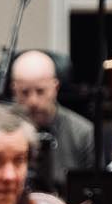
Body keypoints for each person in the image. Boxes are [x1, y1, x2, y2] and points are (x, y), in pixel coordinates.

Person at [7, 49, 96, 194]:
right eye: (24, 92)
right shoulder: (1, 132)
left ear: (55, 87)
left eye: (40, 91)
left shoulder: (83, 133)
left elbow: (92, 192)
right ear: (14, 90)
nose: (33, 101)